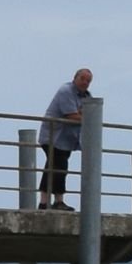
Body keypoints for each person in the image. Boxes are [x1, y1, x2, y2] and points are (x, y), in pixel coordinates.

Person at [38, 68, 96, 206]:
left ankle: (45, 202)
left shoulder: (87, 97)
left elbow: (87, 114)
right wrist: (85, 117)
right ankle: (57, 201)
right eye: (82, 78)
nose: (85, 82)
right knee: (59, 167)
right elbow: (71, 115)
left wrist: (84, 116)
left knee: (54, 168)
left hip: (66, 139)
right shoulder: (66, 91)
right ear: (75, 78)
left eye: (88, 81)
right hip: (54, 136)